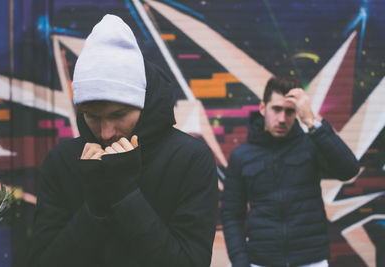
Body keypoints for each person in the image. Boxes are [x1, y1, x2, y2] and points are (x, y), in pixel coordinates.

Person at [28, 14, 218, 267]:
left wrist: (125, 196)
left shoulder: (190, 159)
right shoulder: (62, 161)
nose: (106, 132)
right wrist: (94, 206)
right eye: (92, 117)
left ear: (143, 104)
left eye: (118, 115)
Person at [221, 76, 359, 267]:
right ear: (262, 108)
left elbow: (349, 169)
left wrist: (311, 122)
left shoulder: (310, 144)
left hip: (311, 261)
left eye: (290, 111)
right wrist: (240, 262)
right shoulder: (241, 156)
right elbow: (231, 215)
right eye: (276, 109)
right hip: (262, 261)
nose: (282, 119)